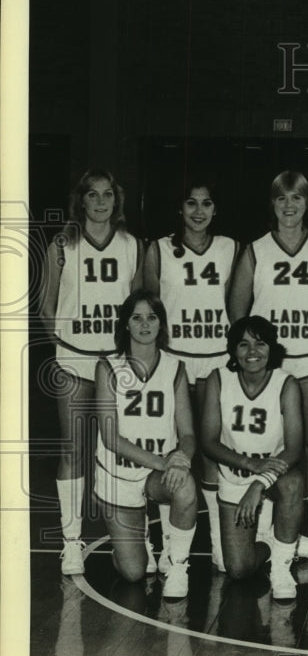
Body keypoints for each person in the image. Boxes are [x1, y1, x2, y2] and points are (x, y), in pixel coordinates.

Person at [229, 171, 308, 573]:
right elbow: (238, 312)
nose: (289, 207)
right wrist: (253, 359)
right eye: (281, 199)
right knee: (270, 446)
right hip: (271, 372)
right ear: (271, 204)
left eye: (297, 198)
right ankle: (265, 533)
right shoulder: (255, 251)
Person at [39, 168, 144, 575]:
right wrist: (62, 347)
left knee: (122, 449)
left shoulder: (132, 245)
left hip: (116, 363)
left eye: (107, 195)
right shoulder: (62, 244)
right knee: (73, 450)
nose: (100, 202)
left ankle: (137, 540)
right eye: (92, 195)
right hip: (74, 358)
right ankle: (71, 542)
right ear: (80, 200)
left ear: (116, 201)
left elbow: (139, 307)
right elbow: (46, 305)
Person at [144, 179, 238, 572]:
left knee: (214, 456)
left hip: (217, 361)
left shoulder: (231, 248)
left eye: (207, 203)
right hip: (175, 362)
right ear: (179, 209)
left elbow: (239, 305)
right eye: (191, 203)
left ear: (216, 209)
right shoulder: (159, 250)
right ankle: (168, 548)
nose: (198, 211)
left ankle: (220, 546)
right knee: (174, 453)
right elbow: (149, 307)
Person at [93, 290, 197, 597]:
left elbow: (188, 434)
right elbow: (110, 438)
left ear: (161, 324)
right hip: (118, 474)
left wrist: (181, 459)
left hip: (156, 473)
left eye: (152, 317)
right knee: (133, 573)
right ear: (125, 324)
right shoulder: (108, 366)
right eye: (136, 317)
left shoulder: (174, 366)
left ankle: (178, 566)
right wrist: (165, 462)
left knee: (186, 485)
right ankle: (140, 542)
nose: (144, 324)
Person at [200, 316, 305, 599]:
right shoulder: (219, 380)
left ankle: (282, 566)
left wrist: (259, 481)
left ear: (271, 348)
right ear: (233, 350)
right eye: (243, 345)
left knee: (293, 484)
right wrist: (249, 464)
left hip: (274, 476)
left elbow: (294, 448)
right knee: (237, 568)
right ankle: (273, 543)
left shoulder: (286, 384)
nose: (252, 352)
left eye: (260, 343)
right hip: (235, 474)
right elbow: (208, 441)